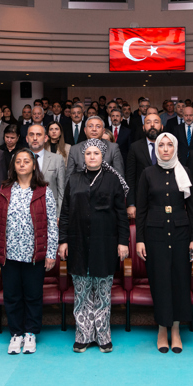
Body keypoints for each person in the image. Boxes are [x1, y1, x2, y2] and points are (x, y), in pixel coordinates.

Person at [58, 139, 129, 353]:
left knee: (103, 293)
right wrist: (63, 241)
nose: (91, 156)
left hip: (105, 243)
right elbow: (65, 213)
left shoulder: (113, 180)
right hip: (78, 242)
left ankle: (103, 335)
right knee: (81, 293)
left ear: (103, 156)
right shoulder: (74, 179)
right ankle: (83, 335)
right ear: (83, 157)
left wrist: (123, 242)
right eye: (88, 153)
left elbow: (121, 214)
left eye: (96, 153)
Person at [0, 149, 58, 354]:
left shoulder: (44, 191)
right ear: (13, 166)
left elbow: (52, 226)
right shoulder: (4, 191)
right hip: (9, 254)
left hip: (34, 254)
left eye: (26, 161)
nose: (22, 164)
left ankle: (30, 333)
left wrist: (51, 252)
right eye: (18, 161)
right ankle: (16, 334)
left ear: (34, 165)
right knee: (12, 295)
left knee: (33, 295)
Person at [135, 132, 193, 353]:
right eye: (161, 145)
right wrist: (140, 240)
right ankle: (162, 328)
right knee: (160, 281)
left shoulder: (185, 171)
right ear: (156, 149)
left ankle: (176, 329)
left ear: (175, 148)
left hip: (181, 234)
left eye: (169, 145)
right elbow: (141, 210)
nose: (165, 149)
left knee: (180, 280)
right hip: (155, 235)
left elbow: (192, 209)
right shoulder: (148, 173)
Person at [27, 124, 66, 216]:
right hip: (24, 212)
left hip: (49, 211)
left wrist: (59, 215)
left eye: (39, 135)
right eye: (31, 135)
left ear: (45, 138)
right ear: (27, 139)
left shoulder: (57, 159)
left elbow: (61, 191)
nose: (35, 138)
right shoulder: (17, 159)